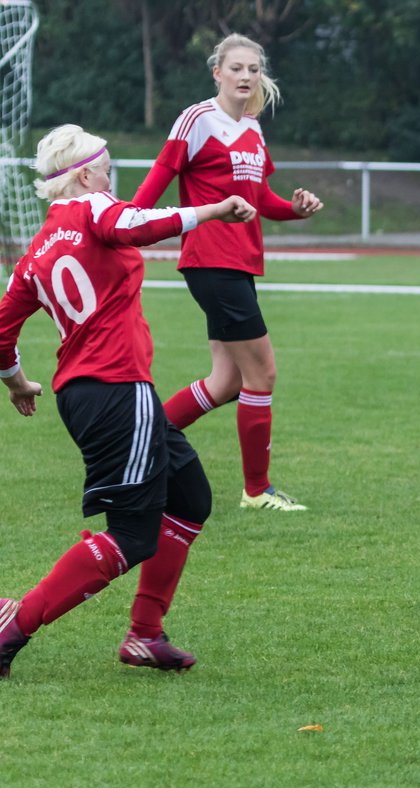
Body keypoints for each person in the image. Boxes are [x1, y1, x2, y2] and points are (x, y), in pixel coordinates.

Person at [0, 125, 258, 678]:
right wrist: (211, 211)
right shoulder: (95, 207)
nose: (111, 178)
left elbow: (1, 332)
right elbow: (135, 225)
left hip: (84, 393)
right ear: (87, 174)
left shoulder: (36, 251)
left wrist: (18, 382)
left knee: (189, 500)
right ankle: (13, 627)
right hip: (118, 390)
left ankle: (145, 635)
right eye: (108, 167)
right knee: (134, 534)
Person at [131, 33, 322, 512]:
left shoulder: (253, 128)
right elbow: (152, 187)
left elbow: (263, 202)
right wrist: (124, 225)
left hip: (239, 264)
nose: (245, 77)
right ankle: (257, 492)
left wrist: (297, 209)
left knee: (227, 382)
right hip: (211, 262)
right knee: (263, 374)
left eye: (253, 69)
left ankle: (144, 441)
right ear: (216, 72)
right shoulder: (197, 119)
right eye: (236, 68)